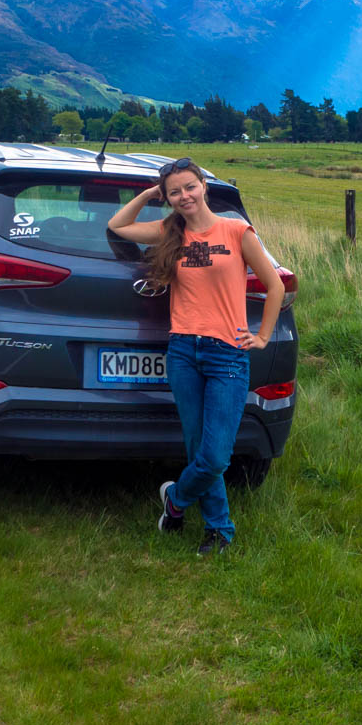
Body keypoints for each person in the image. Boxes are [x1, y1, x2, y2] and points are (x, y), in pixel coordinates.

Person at [108, 156, 285, 555]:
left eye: (189, 186)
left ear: (203, 185)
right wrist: (150, 193)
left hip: (228, 355)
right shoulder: (170, 233)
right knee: (197, 447)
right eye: (174, 192)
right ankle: (219, 530)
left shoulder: (237, 231)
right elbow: (117, 226)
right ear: (168, 198)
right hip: (184, 352)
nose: (184, 196)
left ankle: (175, 500)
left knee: (215, 455)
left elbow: (274, 285)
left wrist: (262, 336)